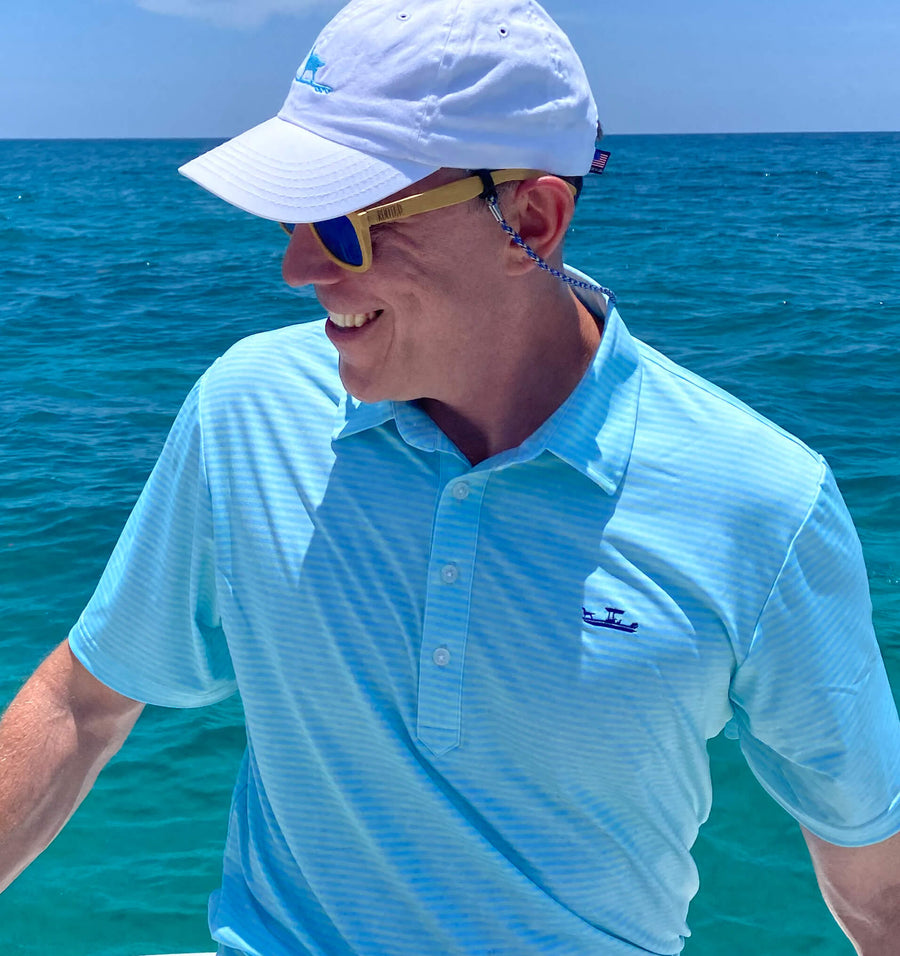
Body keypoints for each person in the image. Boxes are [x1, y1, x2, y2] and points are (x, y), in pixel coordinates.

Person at [1, 0, 899, 953]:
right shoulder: (248, 410)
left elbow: (878, 892)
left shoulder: (765, 505)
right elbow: (82, 702)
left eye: (345, 223)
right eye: (295, 214)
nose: (298, 266)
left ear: (531, 221)